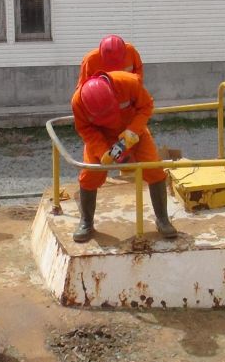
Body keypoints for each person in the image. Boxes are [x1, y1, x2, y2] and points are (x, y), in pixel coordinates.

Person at [70, 71, 176, 242]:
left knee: (153, 169)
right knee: (90, 174)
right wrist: (101, 150)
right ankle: (86, 222)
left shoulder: (129, 83)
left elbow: (146, 106)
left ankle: (162, 219)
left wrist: (134, 129)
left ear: (113, 94)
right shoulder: (78, 102)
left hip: (134, 132)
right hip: (101, 137)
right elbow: (85, 129)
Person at [77, 34, 144, 86]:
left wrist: (136, 85)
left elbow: (138, 68)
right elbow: (83, 87)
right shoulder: (90, 60)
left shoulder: (131, 51)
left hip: (127, 93)